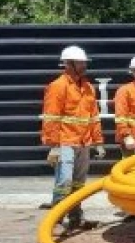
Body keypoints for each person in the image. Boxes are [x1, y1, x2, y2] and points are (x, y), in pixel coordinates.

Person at [41, 46, 106, 230]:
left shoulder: (88, 88)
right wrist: (53, 145)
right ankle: (55, 219)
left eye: (84, 62)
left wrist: (98, 142)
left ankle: (76, 217)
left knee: (79, 183)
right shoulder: (58, 86)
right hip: (65, 142)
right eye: (80, 62)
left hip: (83, 142)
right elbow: (51, 118)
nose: (84, 65)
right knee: (64, 182)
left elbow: (94, 117)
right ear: (68, 64)